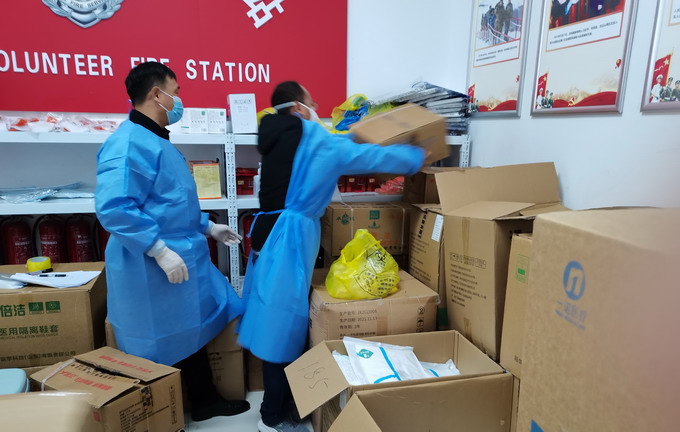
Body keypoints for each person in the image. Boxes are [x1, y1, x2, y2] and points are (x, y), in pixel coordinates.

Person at [237, 81, 426, 432]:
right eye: (312, 102)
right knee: (282, 325)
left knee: (271, 314)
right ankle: (271, 417)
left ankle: (282, 403)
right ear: (298, 107)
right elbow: (371, 158)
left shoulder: (276, 135)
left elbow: (338, 144)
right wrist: (417, 155)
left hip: (268, 233)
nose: (317, 108)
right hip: (290, 239)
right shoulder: (315, 141)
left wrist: (356, 133)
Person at [95, 62, 250, 422]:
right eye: (176, 91)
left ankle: (204, 401)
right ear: (156, 94)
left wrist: (208, 227)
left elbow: (171, 203)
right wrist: (158, 249)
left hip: (180, 257)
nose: (179, 100)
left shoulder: (156, 141)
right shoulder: (128, 143)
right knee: (154, 341)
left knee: (188, 331)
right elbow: (114, 207)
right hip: (147, 265)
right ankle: (153, 416)